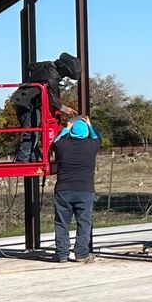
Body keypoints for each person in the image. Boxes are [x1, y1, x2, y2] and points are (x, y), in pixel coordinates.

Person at [49, 107, 102, 263]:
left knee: (61, 223)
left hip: (63, 190)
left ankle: (62, 254)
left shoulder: (62, 146)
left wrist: (66, 128)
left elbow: (55, 142)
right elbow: (97, 137)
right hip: (85, 190)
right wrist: (90, 125)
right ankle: (81, 254)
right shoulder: (91, 146)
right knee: (84, 223)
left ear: (71, 131)